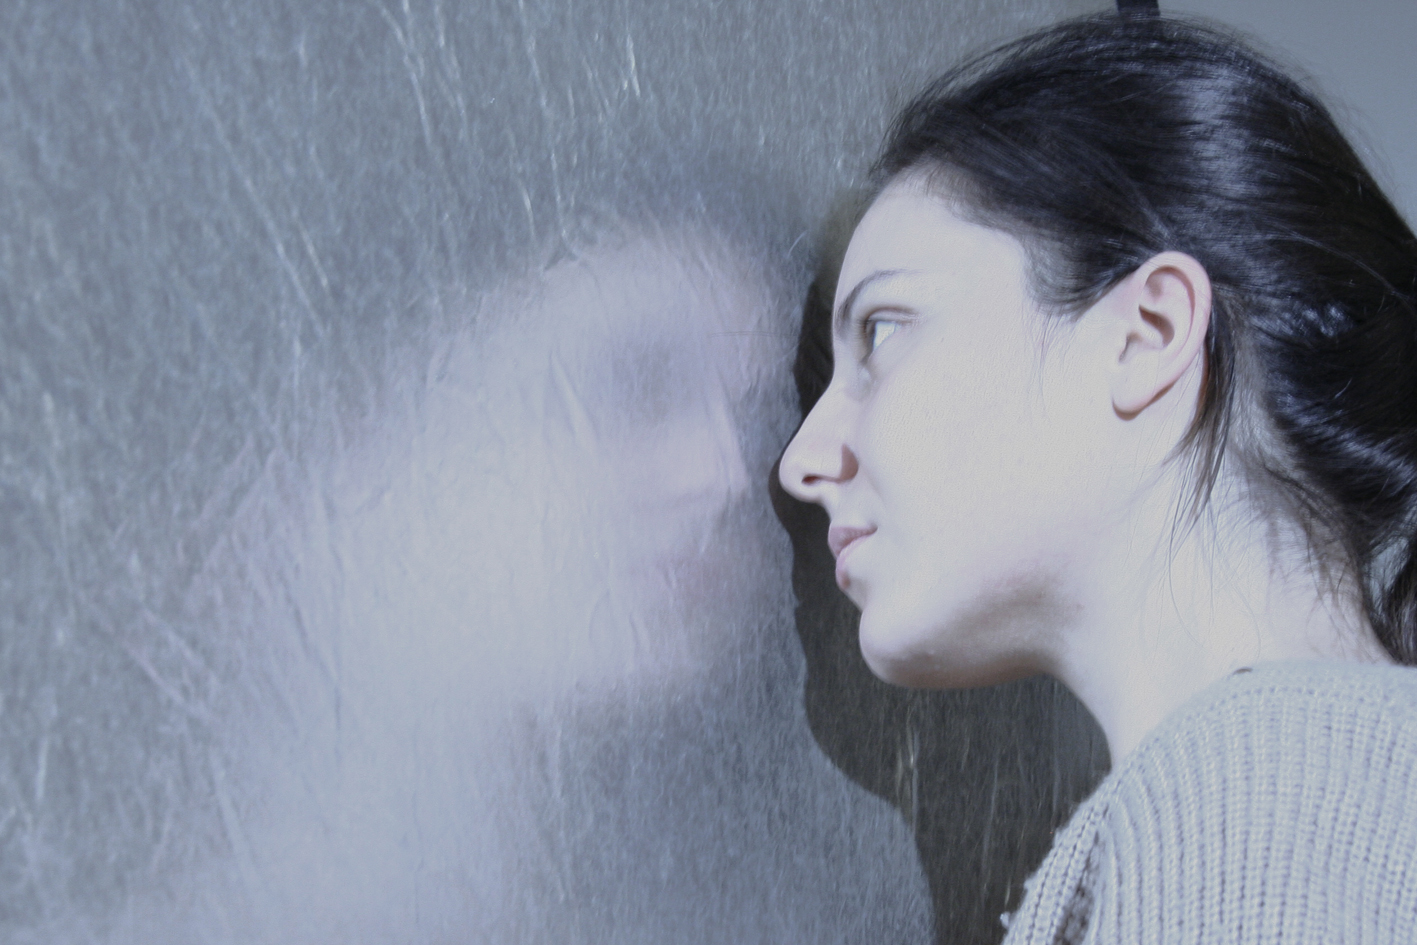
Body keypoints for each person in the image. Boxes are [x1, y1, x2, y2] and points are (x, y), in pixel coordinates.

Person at [778, 11, 1417, 943]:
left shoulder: (1252, 799)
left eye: (881, 330)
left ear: (1146, 336)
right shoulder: (1315, 789)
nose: (801, 461)